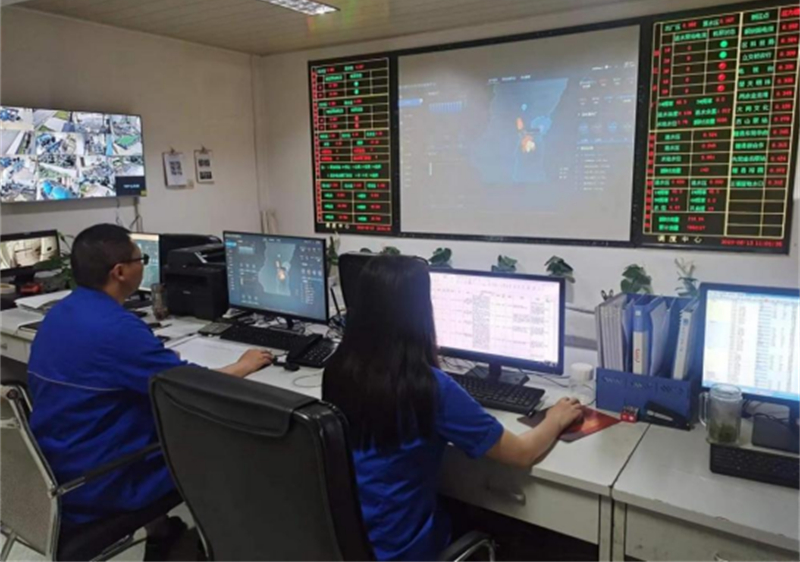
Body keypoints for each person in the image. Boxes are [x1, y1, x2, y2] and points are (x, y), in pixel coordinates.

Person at [322, 255, 582, 561]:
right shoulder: (428, 387)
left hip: (346, 542)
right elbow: (521, 453)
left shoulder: (338, 370)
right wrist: (554, 418)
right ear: (420, 314)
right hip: (404, 550)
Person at [27, 224, 272, 531]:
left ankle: (163, 535)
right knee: (233, 437)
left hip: (56, 468)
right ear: (120, 272)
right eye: (140, 259)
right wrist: (244, 365)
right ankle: (229, 543)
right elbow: (190, 388)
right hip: (104, 480)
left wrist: (155, 360)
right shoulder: (117, 330)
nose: (143, 265)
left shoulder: (60, 314)